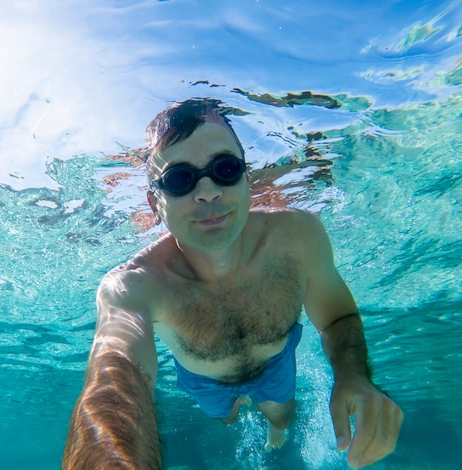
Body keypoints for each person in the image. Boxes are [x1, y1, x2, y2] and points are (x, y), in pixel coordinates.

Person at [62, 98, 403, 469]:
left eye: (224, 168)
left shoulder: (298, 237)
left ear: (246, 178)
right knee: (224, 416)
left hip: (276, 363)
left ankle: (276, 428)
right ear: (154, 202)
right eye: (180, 179)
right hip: (204, 379)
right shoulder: (133, 286)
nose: (208, 191)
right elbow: (115, 382)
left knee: (282, 416)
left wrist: (353, 373)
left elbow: (336, 319)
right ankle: (236, 410)